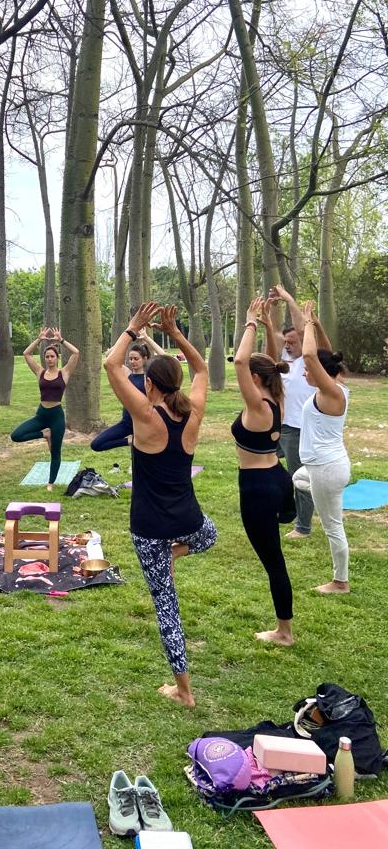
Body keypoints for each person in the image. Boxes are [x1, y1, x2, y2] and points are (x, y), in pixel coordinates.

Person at [104, 302, 217, 708]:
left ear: (149, 385)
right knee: (210, 533)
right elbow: (202, 371)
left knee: (166, 604)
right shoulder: (193, 413)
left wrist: (134, 327)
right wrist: (176, 332)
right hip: (187, 518)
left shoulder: (145, 416)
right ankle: (178, 550)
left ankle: (183, 690)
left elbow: (111, 365)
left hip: (150, 526)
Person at [231, 296, 295, 645]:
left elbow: (242, 360)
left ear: (254, 378)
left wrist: (251, 321)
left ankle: (284, 632)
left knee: (273, 561)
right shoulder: (276, 396)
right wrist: (270, 324)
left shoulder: (257, 405)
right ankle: (283, 627)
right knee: (274, 558)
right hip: (277, 478)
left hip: (258, 487)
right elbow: (268, 363)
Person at [294, 301, 351, 594]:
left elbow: (310, 353)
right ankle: (328, 493)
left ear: (321, 371)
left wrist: (306, 325)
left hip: (327, 467)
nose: (305, 372)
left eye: (308, 369)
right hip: (326, 465)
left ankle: (340, 582)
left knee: (332, 526)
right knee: (296, 479)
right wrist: (314, 321)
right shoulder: (334, 384)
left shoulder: (332, 393)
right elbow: (324, 354)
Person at [267, 284, 324, 539]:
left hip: (301, 429)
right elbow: (277, 333)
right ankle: (281, 506)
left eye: (293, 342)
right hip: (281, 426)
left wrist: (289, 298)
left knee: (299, 475)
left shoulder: (310, 360)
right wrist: (273, 308)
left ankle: (303, 526)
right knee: (265, 461)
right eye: (286, 342)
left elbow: (302, 327)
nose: (287, 345)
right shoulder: (286, 361)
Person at [10, 327, 80, 491]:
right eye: (47, 357)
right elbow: (27, 354)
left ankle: (50, 482)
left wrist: (61, 340)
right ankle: (44, 434)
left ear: (57, 358)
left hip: (56, 416)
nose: (49, 359)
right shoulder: (39, 372)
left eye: (52, 356)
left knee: (55, 452)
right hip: (41, 415)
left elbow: (76, 353)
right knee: (16, 435)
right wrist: (39, 340)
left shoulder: (64, 373)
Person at [91, 331, 164, 458]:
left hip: (145, 423)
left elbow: (165, 358)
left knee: (145, 458)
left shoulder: (150, 376)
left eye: (136, 359)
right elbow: (109, 356)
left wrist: (147, 338)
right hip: (127, 423)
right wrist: (127, 338)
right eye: (130, 359)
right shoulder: (127, 373)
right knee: (96, 444)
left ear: (145, 359)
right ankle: (132, 442)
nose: (132, 362)